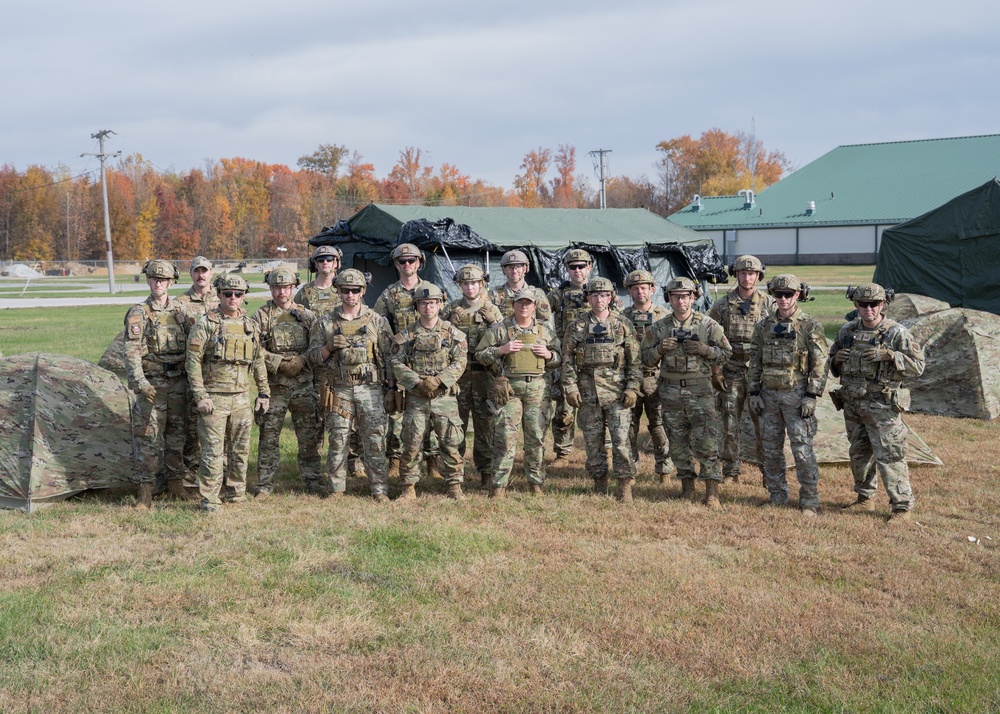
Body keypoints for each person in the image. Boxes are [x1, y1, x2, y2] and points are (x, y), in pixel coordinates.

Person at [828, 283, 926, 522]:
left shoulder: (896, 333)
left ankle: (902, 507)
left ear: (883, 305)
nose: (868, 309)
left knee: (890, 455)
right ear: (856, 305)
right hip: (853, 404)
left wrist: (891, 355)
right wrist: (836, 359)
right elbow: (832, 362)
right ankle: (864, 499)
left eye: (874, 304)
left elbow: (918, 367)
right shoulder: (847, 332)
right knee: (859, 454)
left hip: (882, 406)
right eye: (863, 304)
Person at [640, 277, 731, 508]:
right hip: (670, 391)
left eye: (685, 296)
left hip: (700, 390)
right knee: (678, 441)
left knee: (707, 441)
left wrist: (704, 350)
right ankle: (687, 487)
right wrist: (660, 349)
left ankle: (712, 492)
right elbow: (644, 358)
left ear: (693, 297)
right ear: (669, 299)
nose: (681, 301)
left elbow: (726, 353)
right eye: (676, 296)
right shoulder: (659, 327)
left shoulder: (707, 325)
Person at [185, 273, 270, 513]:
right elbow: (192, 361)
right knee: (212, 451)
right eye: (228, 294)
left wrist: (263, 392)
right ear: (219, 294)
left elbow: (258, 361)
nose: (233, 298)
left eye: (238, 294)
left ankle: (235, 493)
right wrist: (200, 395)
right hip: (214, 398)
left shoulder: (250, 325)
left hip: (241, 398)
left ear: (244, 297)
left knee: (240, 450)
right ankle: (210, 498)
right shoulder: (207, 324)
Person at [308, 269, 394, 502]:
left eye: (355, 290)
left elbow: (389, 356)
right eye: (345, 290)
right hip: (340, 389)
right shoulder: (325, 321)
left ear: (362, 291)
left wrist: (392, 388)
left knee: (374, 438)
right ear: (338, 291)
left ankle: (379, 488)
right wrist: (328, 348)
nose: (350, 295)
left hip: (370, 389)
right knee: (338, 438)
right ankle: (336, 488)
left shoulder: (376, 320)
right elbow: (312, 357)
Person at [746, 274, 828, 516]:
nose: (783, 299)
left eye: (788, 294)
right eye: (778, 294)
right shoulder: (763, 326)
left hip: (797, 396)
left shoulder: (809, 326)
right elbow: (755, 361)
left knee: (802, 451)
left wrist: (812, 395)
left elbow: (819, 365)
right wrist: (753, 391)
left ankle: (809, 501)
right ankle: (777, 496)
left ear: (799, 294)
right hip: (769, 396)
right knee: (771, 450)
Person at [475, 289, 561, 498]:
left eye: (528, 303)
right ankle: (498, 486)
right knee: (505, 437)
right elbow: (479, 355)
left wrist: (549, 355)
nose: (524, 306)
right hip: (509, 389)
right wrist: (501, 350)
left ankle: (536, 483)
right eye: (520, 303)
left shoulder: (544, 330)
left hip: (537, 389)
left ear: (534, 306)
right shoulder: (500, 329)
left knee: (536, 437)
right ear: (513, 305)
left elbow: (559, 358)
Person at [561, 278, 642, 501]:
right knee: (593, 440)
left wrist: (633, 388)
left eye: (604, 295)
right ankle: (599, 482)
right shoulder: (577, 326)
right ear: (588, 297)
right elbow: (567, 359)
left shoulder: (623, 324)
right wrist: (570, 387)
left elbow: (635, 360)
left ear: (611, 297)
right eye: (594, 295)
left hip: (617, 393)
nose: (599, 299)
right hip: (588, 393)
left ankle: (625, 486)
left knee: (621, 440)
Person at [123, 260, 194, 508]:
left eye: (163, 280)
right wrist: (140, 383)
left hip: (178, 384)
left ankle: (175, 485)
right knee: (148, 439)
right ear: (148, 281)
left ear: (171, 283)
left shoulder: (182, 312)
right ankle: (145, 492)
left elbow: (194, 344)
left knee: (177, 437)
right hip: (153, 386)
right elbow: (131, 353)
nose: (158, 284)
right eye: (154, 279)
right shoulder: (139, 312)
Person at [390, 282, 468, 500]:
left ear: (440, 305)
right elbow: (396, 362)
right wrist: (416, 381)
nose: (428, 308)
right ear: (417, 306)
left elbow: (460, 361)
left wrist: (439, 380)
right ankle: (408, 487)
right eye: (423, 304)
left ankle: (454, 486)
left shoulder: (454, 335)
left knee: (451, 442)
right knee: (412, 442)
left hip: (444, 397)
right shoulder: (406, 336)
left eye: (432, 303)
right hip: (417, 398)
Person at [250, 267, 323, 498]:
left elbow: (317, 345)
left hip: (304, 385)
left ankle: (313, 480)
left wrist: (302, 360)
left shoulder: (307, 316)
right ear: (271, 288)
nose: (282, 291)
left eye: (286, 287)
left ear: (294, 288)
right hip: (275, 387)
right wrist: (278, 362)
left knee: (308, 436)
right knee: (268, 437)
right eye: (277, 287)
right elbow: (254, 349)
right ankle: (264, 484)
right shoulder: (261, 317)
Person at [708, 255, 775, 482]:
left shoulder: (768, 304)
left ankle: (768, 473)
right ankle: (731, 471)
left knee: (764, 425)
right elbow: (711, 337)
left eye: (752, 274)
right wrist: (716, 371)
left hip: (760, 375)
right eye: (743, 273)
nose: (747, 278)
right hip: (731, 372)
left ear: (759, 275)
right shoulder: (723, 305)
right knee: (729, 423)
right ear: (735, 275)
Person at [374, 243, 435, 480]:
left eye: (411, 261)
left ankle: (432, 461)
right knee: (397, 415)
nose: (407, 265)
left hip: (429, 362)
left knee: (430, 413)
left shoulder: (432, 290)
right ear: (396, 265)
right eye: (402, 261)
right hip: (399, 362)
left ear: (419, 263)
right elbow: (379, 327)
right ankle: (395, 460)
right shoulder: (389, 295)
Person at [440, 264, 504, 488]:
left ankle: (486, 472)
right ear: (459, 286)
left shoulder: (491, 309)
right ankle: (454, 474)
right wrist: (450, 325)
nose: (470, 287)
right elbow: (438, 340)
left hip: (483, 375)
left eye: (474, 283)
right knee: (455, 426)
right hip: (458, 377)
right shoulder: (450, 309)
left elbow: (502, 341)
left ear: (481, 284)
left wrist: (494, 324)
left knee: (484, 426)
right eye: (465, 283)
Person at [621, 269, 673, 482]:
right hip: (629, 381)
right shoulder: (622, 317)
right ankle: (630, 470)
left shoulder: (665, 316)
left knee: (659, 426)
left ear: (652, 290)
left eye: (644, 287)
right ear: (629, 291)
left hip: (657, 379)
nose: (639, 292)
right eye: (635, 288)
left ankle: (664, 470)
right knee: (629, 427)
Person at [174, 256, 219, 492]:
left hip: (220, 374)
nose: (201, 275)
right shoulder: (180, 303)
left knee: (220, 427)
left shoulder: (224, 296)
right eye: (196, 271)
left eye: (205, 271)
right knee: (191, 427)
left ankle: (219, 474)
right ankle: (190, 478)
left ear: (212, 273)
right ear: (190, 274)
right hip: (192, 374)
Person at [547, 248, 593, 466]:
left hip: (594, 360)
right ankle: (563, 453)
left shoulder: (599, 292)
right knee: (564, 409)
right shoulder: (558, 295)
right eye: (572, 267)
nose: (577, 271)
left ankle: (602, 452)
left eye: (581, 266)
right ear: (566, 269)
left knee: (597, 407)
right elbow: (542, 318)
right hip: (567, 359)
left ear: (589, 267)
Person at [489, 250, 553, 325]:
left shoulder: (537, 294)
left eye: (518, 266)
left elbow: (546, 323)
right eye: (510, 267)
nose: (514, 270)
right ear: (504, 270)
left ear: (525, 268)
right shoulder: (494, 295)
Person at [294, 245, 343, 318]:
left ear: (335, 263)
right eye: (321, 260)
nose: (325, 262)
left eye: (329, 259)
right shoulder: (304, 292)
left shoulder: (346, 290)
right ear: (316, 264)